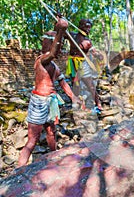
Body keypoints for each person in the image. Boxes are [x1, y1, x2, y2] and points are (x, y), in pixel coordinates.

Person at [18, 17, 81, 167]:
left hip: (50, 102)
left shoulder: (54, 65)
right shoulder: (42, 60)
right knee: (33, 139)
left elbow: (63, 82)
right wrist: (60, 31)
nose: (58, 46)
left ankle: (53, 158)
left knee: (52, 132)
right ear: (46, 44)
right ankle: (18, 172)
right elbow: (53, 52)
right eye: (53, 41)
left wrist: (73, 98)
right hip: (39, 102)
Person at [65, 19, 102, 111]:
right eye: (85, 26)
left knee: (90, 85)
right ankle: (77, 102)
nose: (87, 29)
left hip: (82, 63)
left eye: (89, 27)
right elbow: (60, 30)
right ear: (79, 26)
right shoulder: (72, 35)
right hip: (72, 63)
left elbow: (95, 53)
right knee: (75, 84)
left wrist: (98, 55)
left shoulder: (88, 41)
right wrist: (59, 20)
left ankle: (98, 103)